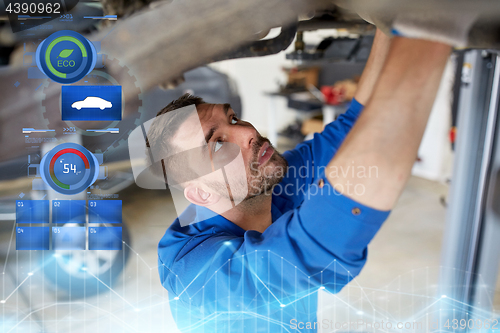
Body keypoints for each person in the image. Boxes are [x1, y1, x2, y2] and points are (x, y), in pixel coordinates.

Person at [148, 27, 452, 332]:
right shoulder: (191, 270)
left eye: (233, 119)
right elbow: (315, 248)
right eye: (217, 144)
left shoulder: (265, 187)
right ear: (200, 195)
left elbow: (351, 127)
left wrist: (389, 22)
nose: (249, 132)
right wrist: (427, 24)